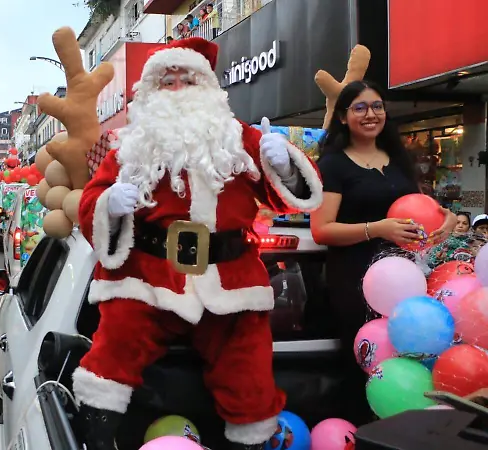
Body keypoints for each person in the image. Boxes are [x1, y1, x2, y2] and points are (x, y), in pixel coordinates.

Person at [73, 37, 323, 449]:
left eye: (185, 80)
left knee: (249, 372)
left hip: (231, 281)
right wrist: (109, 205)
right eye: (165, 81)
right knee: (113, 349)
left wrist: (286, 166)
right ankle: (94, 436)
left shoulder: (238, 138)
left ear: (206, 88)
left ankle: (250, 440)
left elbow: (288, 194)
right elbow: (91, 203)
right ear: (151, 92)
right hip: (148, 278)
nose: (175, 89)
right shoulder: (128, 148)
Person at [309, 80, 457, 425]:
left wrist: (446, 219)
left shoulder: (399, 159)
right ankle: (360, 432)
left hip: (407, 276)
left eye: (377, 106)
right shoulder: (333, 165)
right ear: (344, 117)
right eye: (359, 107)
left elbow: (422, 209)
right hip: (356, 280)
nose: (370, 114)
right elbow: (321, 229)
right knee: (368, 363)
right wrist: (377, 228)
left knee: (411, 360)